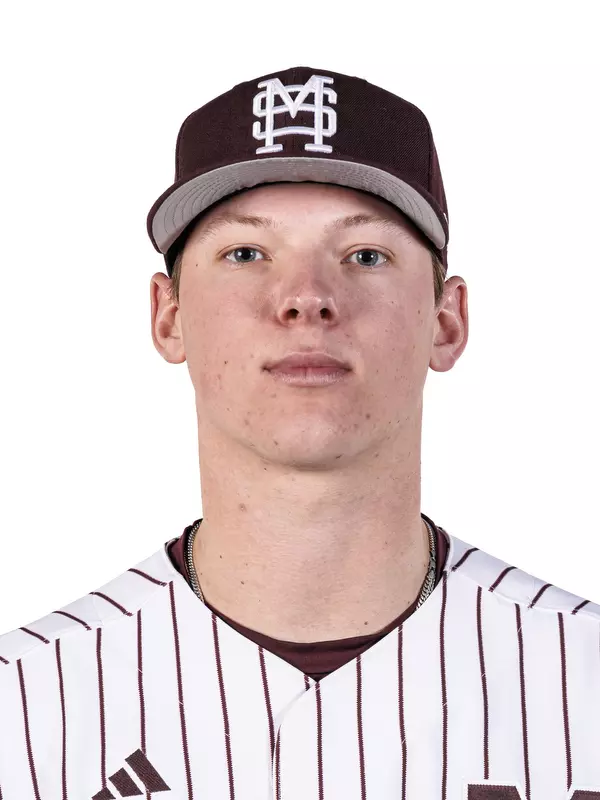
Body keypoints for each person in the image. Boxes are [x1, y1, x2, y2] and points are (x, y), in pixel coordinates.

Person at [0, 66, 598, 800]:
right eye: (246, 254)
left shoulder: (584, 681)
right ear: (168, 315)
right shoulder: (21, 710)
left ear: (446, 322)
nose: (307, 298)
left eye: (366, 256)